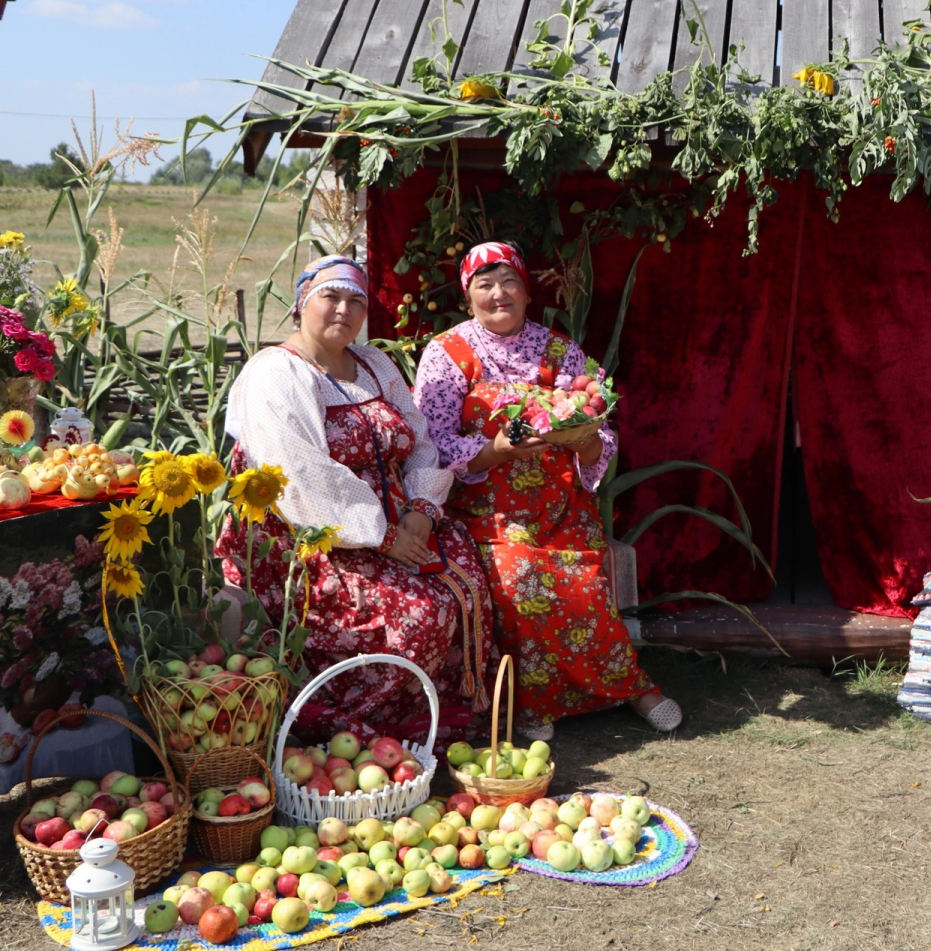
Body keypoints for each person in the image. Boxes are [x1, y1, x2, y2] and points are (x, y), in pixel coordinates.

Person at [219, 255, 493, 743]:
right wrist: (383, 536)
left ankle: (435, 722)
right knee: (416, 615)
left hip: (397, 518)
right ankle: (362, 736)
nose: (344, 309)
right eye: (331, 296)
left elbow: (420, 439)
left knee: (464, 577)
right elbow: (300, 476)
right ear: (302, 303)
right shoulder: (277, 373)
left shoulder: (375, 364)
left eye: (356, 300)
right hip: (313, 536)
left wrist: (422, 513)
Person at [415, 241, 681, 737]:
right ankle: (538, 701)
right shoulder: (446, 353)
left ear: (526, 289)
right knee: (519, 578)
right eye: (485, 284)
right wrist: (496, 450)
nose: (499, 294)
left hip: (561, 507)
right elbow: (432, 443)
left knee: (584, 584)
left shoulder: (560, 350)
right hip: (486, 514)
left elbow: (600, 426)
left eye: (509, 281)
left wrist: (583, 443)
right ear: (468, 295)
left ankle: (634, 688)